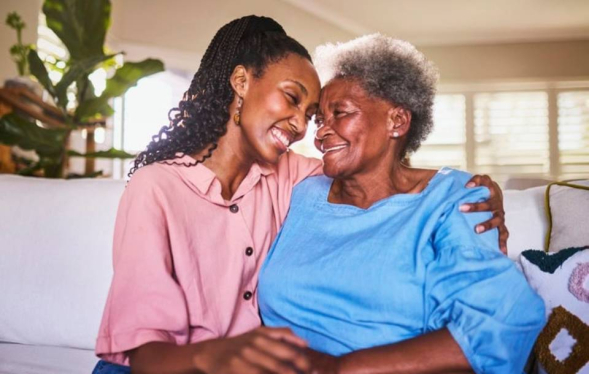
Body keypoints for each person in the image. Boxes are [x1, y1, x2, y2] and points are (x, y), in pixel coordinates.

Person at [93, 17, 508, 374]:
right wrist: (218, 355)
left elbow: (377, 170)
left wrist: (462, 188)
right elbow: (145, 357)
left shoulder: (295, 177)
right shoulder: (157, 187)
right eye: (292, 98)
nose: (301, 125)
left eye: (311, 115)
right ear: (241, 82)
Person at [258, 34, 546, 374]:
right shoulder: (297, 190)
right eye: (320, 119)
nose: (321, 133)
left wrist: (340, 368)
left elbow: (501, 321)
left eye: (341, 113)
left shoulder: (453, 197)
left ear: (397, 121)